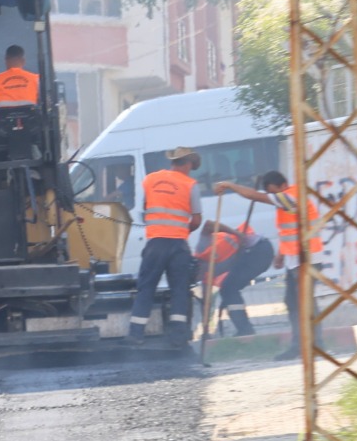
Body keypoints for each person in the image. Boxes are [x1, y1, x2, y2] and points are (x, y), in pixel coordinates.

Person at [214, 171, 322, 359]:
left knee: (304, 303)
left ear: (282, 185)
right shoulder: (286, 200)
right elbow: (292, 231)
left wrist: (231, 185)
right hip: (295, 260)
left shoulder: (291, 196)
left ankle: (312, 345)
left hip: (307, 259)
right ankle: (302, 345)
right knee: (294, 303)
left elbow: (255, 196)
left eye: (273, 192)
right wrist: (281, 254)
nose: (273, 197)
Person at [129, 146, 204, 347]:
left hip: (155, 244)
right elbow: (196, 220)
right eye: (191, 166)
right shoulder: (191, 185)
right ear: (188, 163)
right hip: (178, 245)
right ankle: (178, 336)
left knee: (146, 287)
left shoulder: (150, 180)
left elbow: (147, 209)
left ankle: (136, 335)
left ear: (173, 162)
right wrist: (181, 231)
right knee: (179, 289)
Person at [195, 220, 275, 336]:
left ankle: (245, 330)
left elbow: (208, 225)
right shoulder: (206, 276)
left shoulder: (201, 250)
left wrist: (237, 235)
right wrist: (206, 329)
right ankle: (244, 329)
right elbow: (206, 304)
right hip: (254, 258)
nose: (199, 277)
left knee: (228, 289)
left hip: (257, 249)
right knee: (228, 290)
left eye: (196, 276)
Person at [0, 44, 40, 118]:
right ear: (23, 60)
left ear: (6, 60)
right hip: (30, 124)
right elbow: (42, 101)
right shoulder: (34, 78)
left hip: (2, 125)